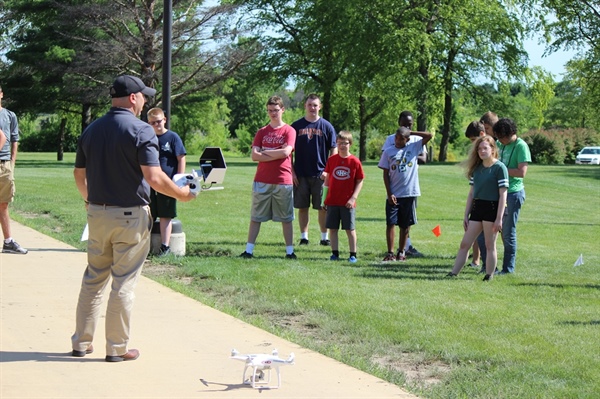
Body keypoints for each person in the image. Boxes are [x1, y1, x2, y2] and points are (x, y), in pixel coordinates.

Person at [72, 75, 196, 362]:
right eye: (143, 96)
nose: (145, 101)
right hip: (130, 215)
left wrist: (89, 201)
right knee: (123, 282)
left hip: (97, 214)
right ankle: (116, 348)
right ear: (132, 98)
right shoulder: (142, 131)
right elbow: (154, 178)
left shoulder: (91, 130)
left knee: (93, 279)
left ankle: (81, 342)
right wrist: (182, 194)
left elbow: (80, 175)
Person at [240, 96, 297, 259]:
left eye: (276, 110)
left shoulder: (289, 131)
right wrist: (276, 153)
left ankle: (290, 252)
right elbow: (254, 156)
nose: (273, 113)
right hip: (262, 180)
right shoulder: (262, 132)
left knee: (286, 218)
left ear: (283, 110)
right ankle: (249, 250)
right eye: (270, 110)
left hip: (283, 181)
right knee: (256, 216)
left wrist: (265, 152)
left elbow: (287, 152)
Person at [446, 136, 508, 281]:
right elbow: (471, 193)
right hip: (477, 208)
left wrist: (499, 218)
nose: (481, 151)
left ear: (492, 149)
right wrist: (466, 215)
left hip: (492, 208)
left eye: (485, 148)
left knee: (489, 244)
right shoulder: (477, 169)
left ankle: (489, 274)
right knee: (465, 243)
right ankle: (454, 273)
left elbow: (503, 194)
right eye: (479, 149)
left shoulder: (500, 168)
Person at [379, 126, 432, 262]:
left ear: (407, 139)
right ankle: (390, 253)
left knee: (405, 225)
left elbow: (429, 135)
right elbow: (385, 174)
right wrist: (389, 193)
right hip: (394, 194)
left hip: (409, 193)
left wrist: (411, 132)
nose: (397, 141)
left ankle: (401, 252)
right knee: (390, 223)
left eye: (401, 138)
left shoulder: (413, 147)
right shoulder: (388, 151)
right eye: (396, 138)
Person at [291, 94, 337, 246]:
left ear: (320, 106)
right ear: (305, 106)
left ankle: (324, 238)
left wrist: (328, 171)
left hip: (320, 175)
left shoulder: (327, 126)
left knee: (322, 208)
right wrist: (292, 171)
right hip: (301, 174)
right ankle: (304, 237)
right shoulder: (296, 126)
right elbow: (288, 152)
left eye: (315, 105)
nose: (312, 108)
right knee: (302, 207)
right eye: (310, 104)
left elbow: (334, 150)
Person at [146, 107, 187, 256]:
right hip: (150, 181)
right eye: (152, 123)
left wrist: (179, 178)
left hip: (168, 182)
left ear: (164, 120)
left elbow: (181, 157)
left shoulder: (172, 137)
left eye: (158, 121)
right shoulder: (148, 138)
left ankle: (165, 246)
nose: (156, 125)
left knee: (166, 214)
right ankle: (144, 245)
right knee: (148, 213)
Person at [321, 131, 364, 263]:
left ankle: (352, 254)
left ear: (350, 144)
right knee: (333, 229)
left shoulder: (355, 161)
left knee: (350, 229)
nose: (342, 146)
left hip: (347, 202)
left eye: (344, 143)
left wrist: (353, 198)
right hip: (333, 201)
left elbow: (360, 181)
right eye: (339, 143)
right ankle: (335, 253)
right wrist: (324, 200)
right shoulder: (332, 160)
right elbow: (327, 180)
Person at [494, 118, 531, 274]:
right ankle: (489, 265)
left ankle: (508, 268)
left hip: (513, 193)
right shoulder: (500, 145)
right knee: (495, 230)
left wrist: (501, 169)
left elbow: (522, 172)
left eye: (502, 137)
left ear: (510, 133)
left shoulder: (521, 146)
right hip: (499, 191)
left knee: (508, 231)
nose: (500, 141)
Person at [0, 84, 28, 254]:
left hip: (5, 164)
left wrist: (12, 163)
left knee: (3, 203)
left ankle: (8, 241)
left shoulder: (10, 116)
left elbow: (13, 139)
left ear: (1, 94)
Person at [464, 121, 487, 268]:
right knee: (476, 229)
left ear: (481, 134)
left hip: (488, 197)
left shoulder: (486, 148)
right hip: (477, 193)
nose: (473, 144)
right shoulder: (478, 151)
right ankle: (476, 259)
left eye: (473, 140)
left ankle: (486, 262)